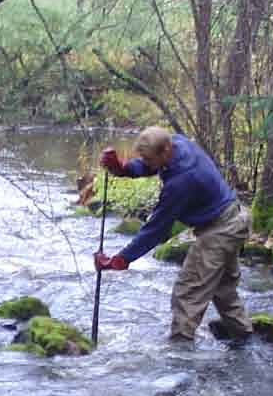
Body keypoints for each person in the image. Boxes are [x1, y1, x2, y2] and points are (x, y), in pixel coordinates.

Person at [94, 126, 254, 343]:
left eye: (149, 159)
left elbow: (157, 230)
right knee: (223, 288)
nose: (147, 163)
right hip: (234, 219)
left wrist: (121, 259)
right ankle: (244, 339)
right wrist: (124, 168)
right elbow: (150, 166)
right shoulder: (177, 143)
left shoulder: (182, 181)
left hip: (221, 230)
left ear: (165, 151)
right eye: (145, 159)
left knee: (187, 292)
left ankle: (180, 357)